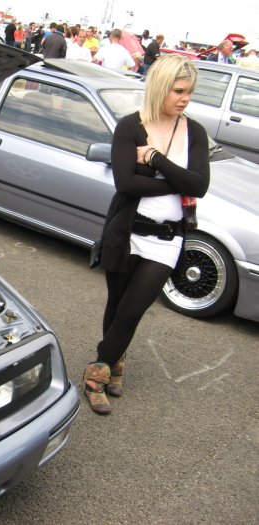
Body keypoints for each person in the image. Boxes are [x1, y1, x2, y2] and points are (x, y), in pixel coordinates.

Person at [84, 55, 210, 414]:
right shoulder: (130, 127)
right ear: (160, 87)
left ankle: (96, 373)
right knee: (117, 305)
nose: (185, 98)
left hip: (167, 240)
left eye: (190, 92)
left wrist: (155, 161)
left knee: (133, 311)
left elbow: (199, 186)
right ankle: (115, 364)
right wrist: (176, 180)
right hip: (127, 233)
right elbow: (125, 182)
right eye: (179, 91)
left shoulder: (194, 132)